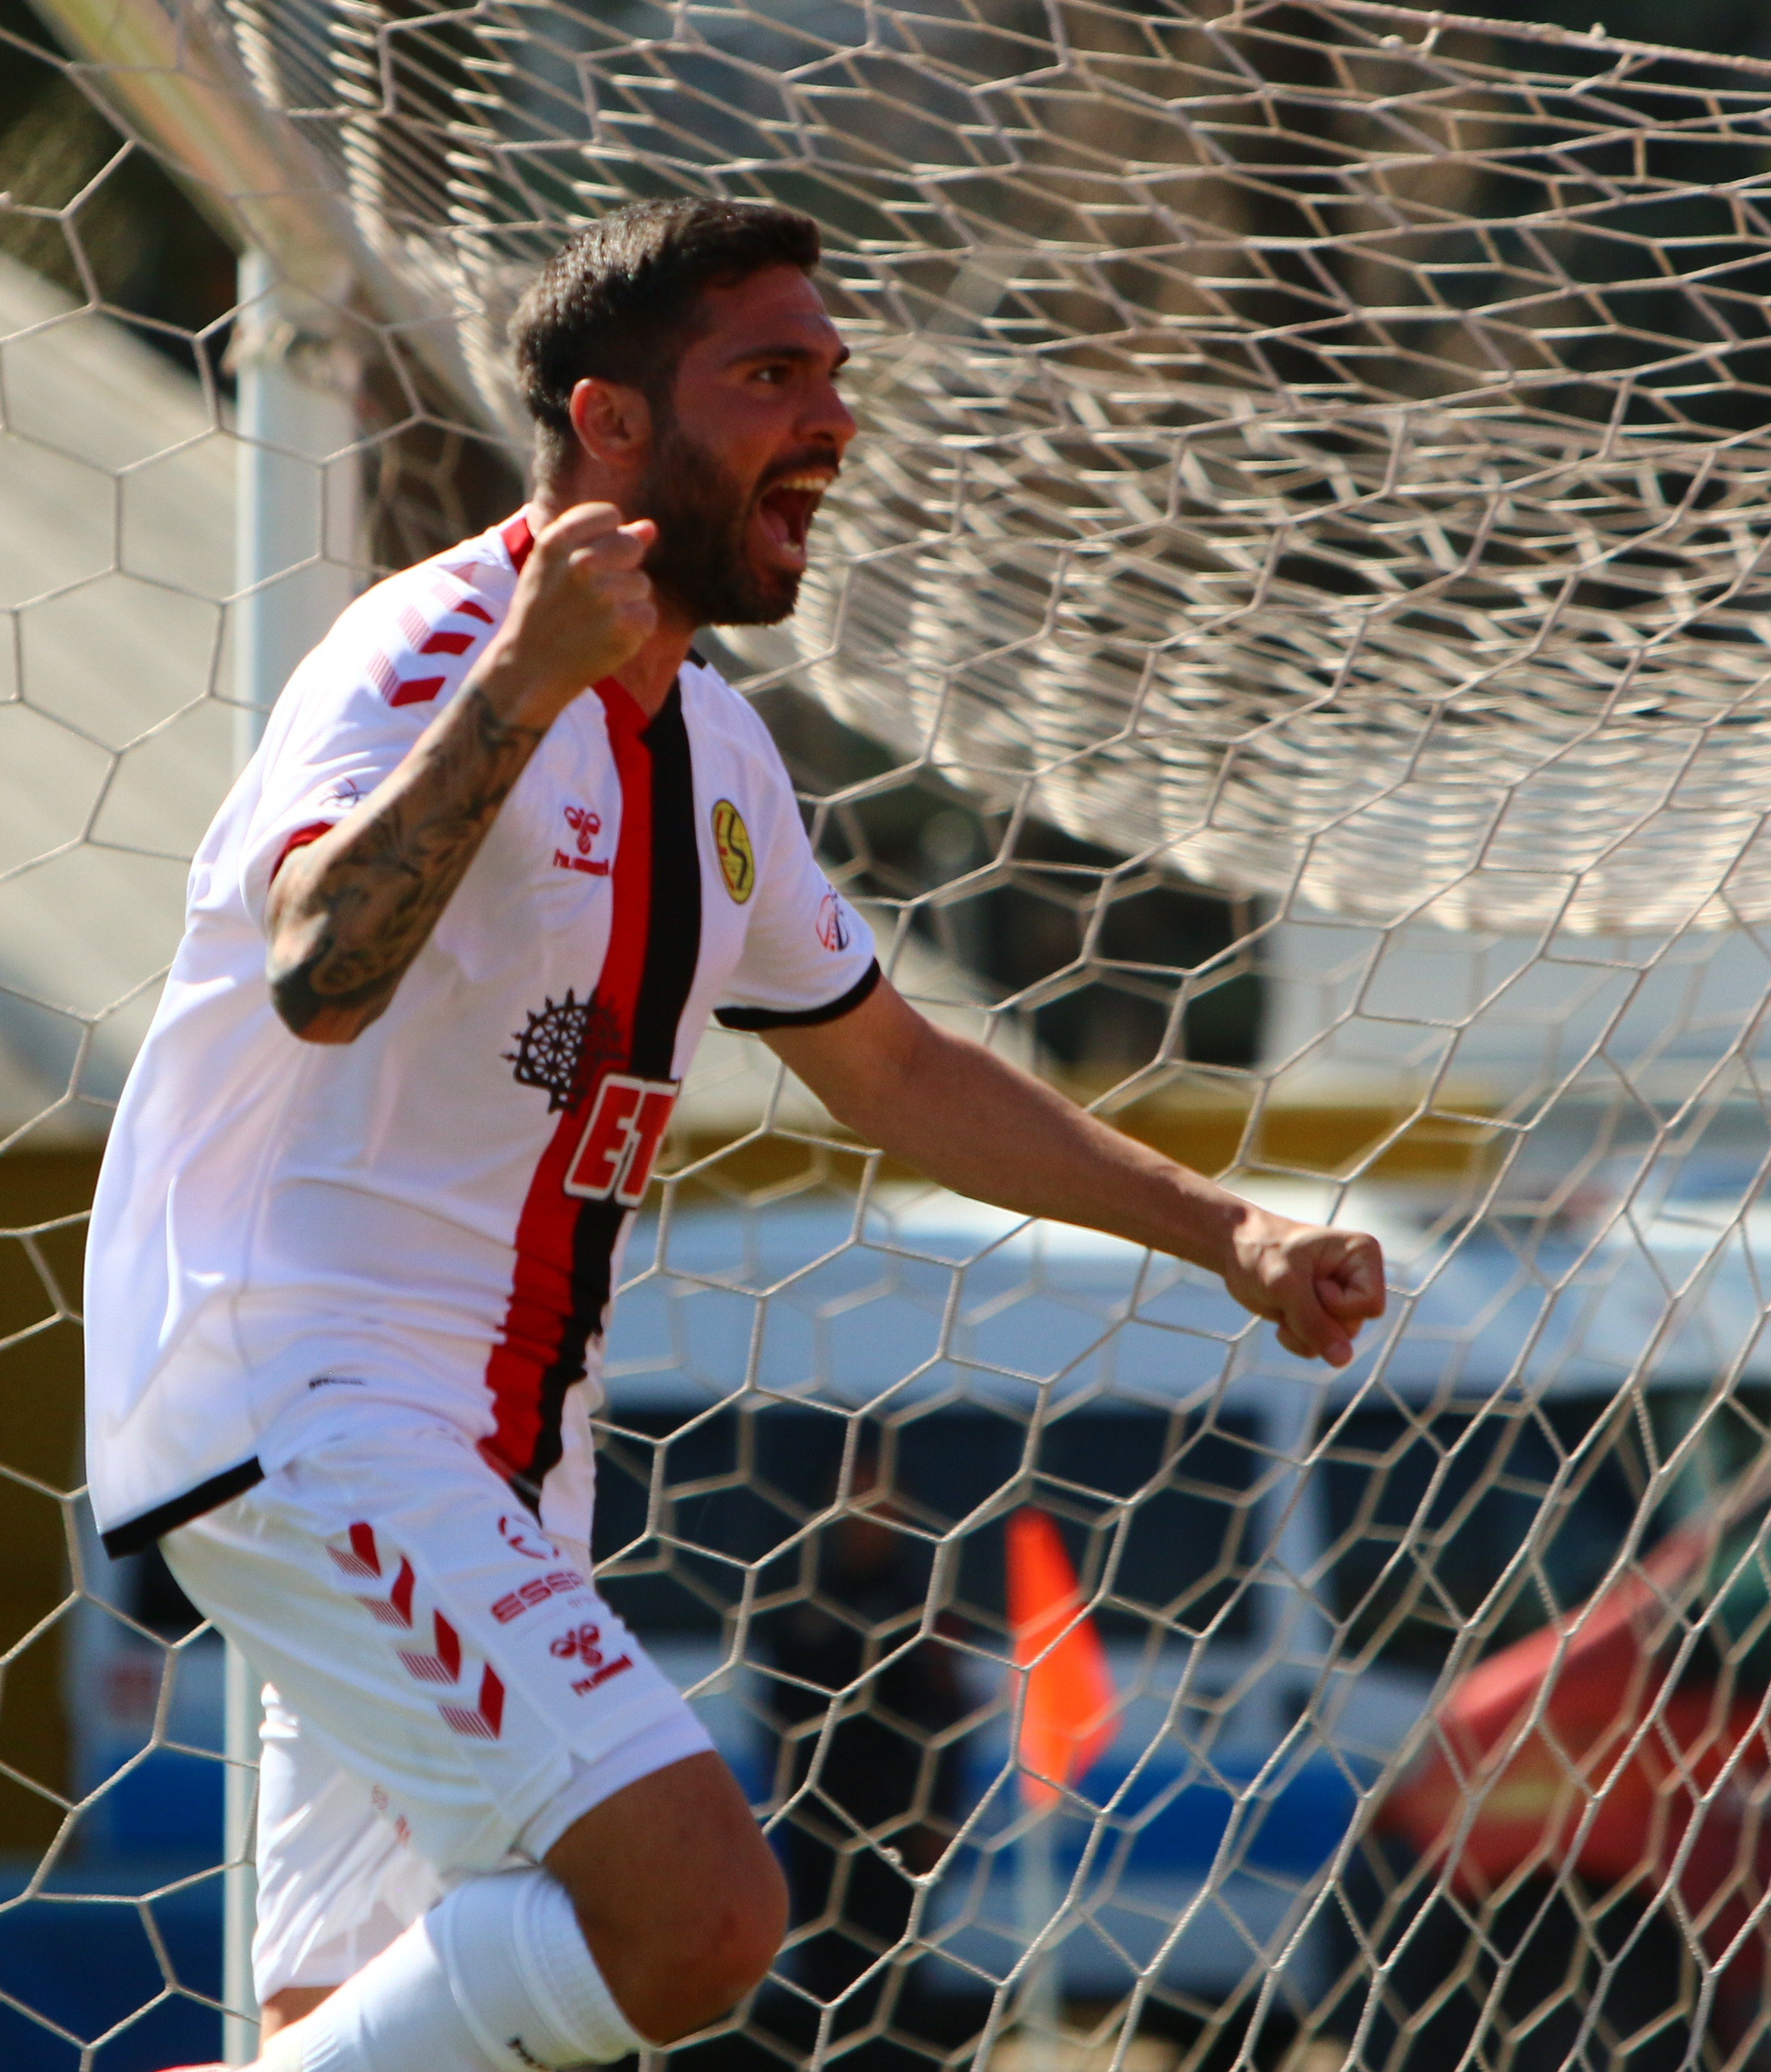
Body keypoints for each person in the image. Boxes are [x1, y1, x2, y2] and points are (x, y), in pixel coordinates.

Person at [83, 196, 1387, 2072]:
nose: (832, 422)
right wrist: (519, 688)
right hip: (311, 1398)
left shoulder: (717, 753)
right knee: (697, 1918)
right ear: (609, 423)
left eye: (836, 377)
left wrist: (1227, 1235)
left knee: (354, 2019)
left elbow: (895, 1070)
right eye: (773, 374)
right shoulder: (429, 641)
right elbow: (316, 969)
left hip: (508, 1452)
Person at [753, 1430, 969, 2072]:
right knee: (824, 1989)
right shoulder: (800, 1606)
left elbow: (950, 1722)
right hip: (817, 1836)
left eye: (876, 1496)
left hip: (894, 1840)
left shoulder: (920, 1609)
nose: (863, 1510)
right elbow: (776, 1719)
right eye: (849, 1494)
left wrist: (937, 1819)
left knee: (893, 1995)